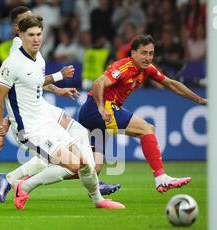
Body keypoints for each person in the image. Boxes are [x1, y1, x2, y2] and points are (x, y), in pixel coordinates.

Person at [0, 15, 124, 210]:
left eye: (39, 34)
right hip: (29, 130)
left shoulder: (39, 59)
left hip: (46, 121)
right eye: (31, 35)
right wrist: (0, 130)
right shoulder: (12, 64)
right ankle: (24, 186)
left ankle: (99, 201)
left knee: (85, 163)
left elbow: (35, 82)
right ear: (21, 35)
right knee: (72, 164)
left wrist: (59, 79)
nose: (36, 39)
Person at [78, 34, 208, 192]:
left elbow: (171, 84)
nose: (148, 58)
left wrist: (199, 100)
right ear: (133, 54)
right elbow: (98, 82)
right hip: (99, 108)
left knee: (94, 167)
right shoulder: (124, 67)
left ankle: (45, 170)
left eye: (151, 54)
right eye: (144, 53)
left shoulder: (148, 70)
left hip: (92, 111)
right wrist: (101, 107)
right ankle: (161, 179)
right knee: (147, 129)